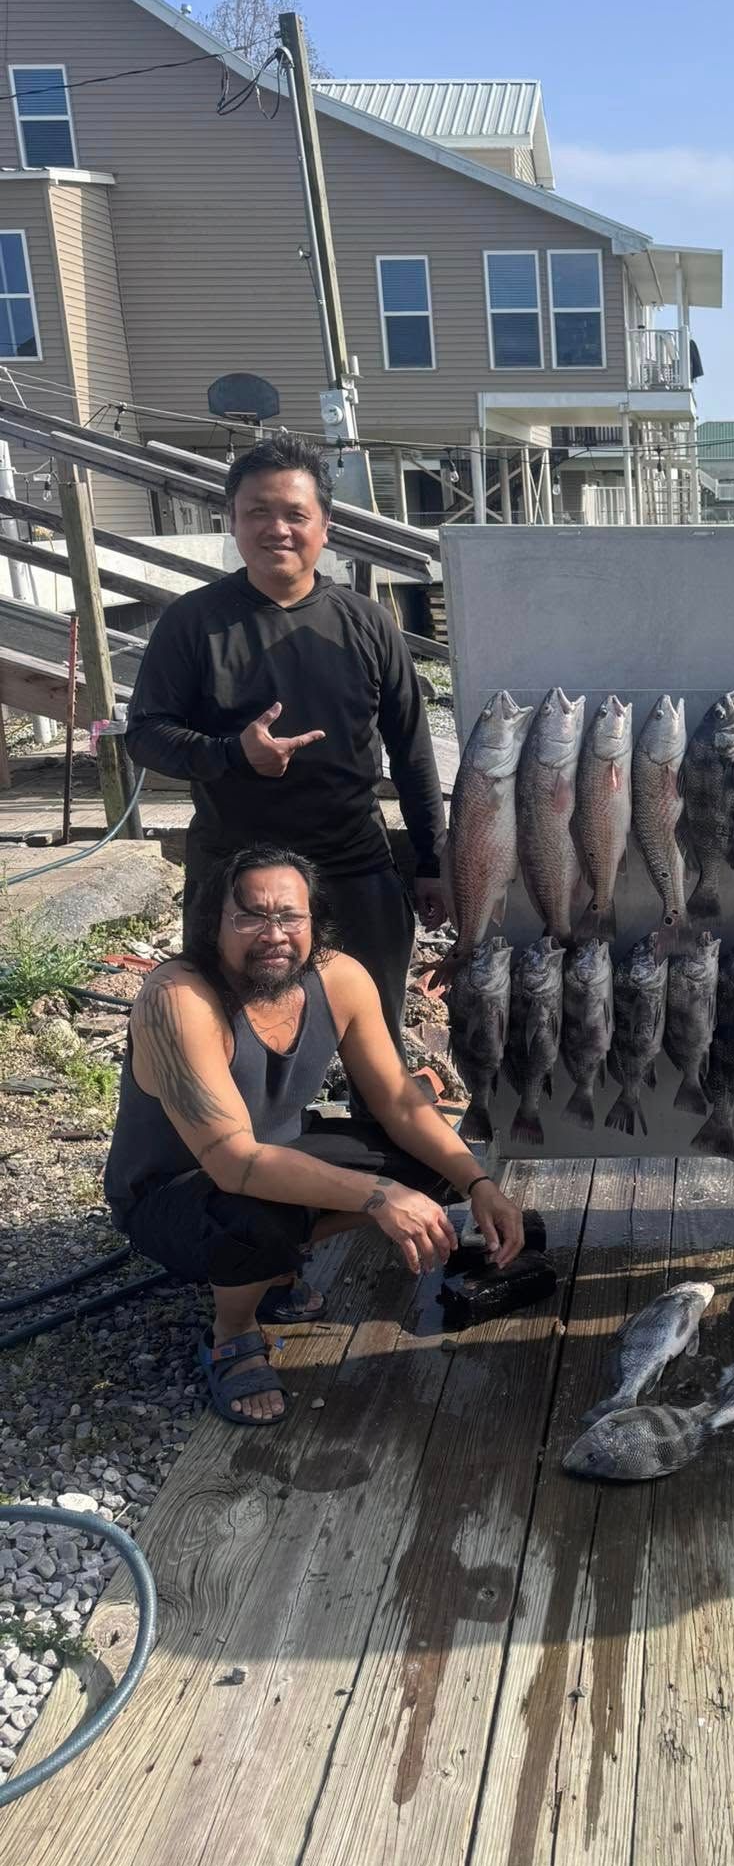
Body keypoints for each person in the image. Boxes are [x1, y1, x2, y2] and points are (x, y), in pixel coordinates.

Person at [104, 845, 523, 1426]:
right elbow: (232, 1163)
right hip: (172, 1191)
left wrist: (479, 1183)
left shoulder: (339, 977)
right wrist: (378, 1197)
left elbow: (401, 1104)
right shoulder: (179, 1000)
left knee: (432, 1164)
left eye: (290, 916)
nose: (274, 933)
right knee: (254, 1216)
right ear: (211, 923)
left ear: (313, 920)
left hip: (274, 1156)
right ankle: (232, 1333)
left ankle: (274, 1266)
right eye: (250, 915)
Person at [124, 434, 449, 1047]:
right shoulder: (193, 622)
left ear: (324, 525)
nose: (278, 528)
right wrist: (230, 755)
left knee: (374, 1037)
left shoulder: (369, 622)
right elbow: (144, 736)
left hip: (353, 864)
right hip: (233, 865)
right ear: (233, 522)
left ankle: (374, 1132)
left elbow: (411, 753)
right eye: (258, 512)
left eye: (296, 513)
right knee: (232, 1038)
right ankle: (251, 1138)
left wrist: (432, 863)